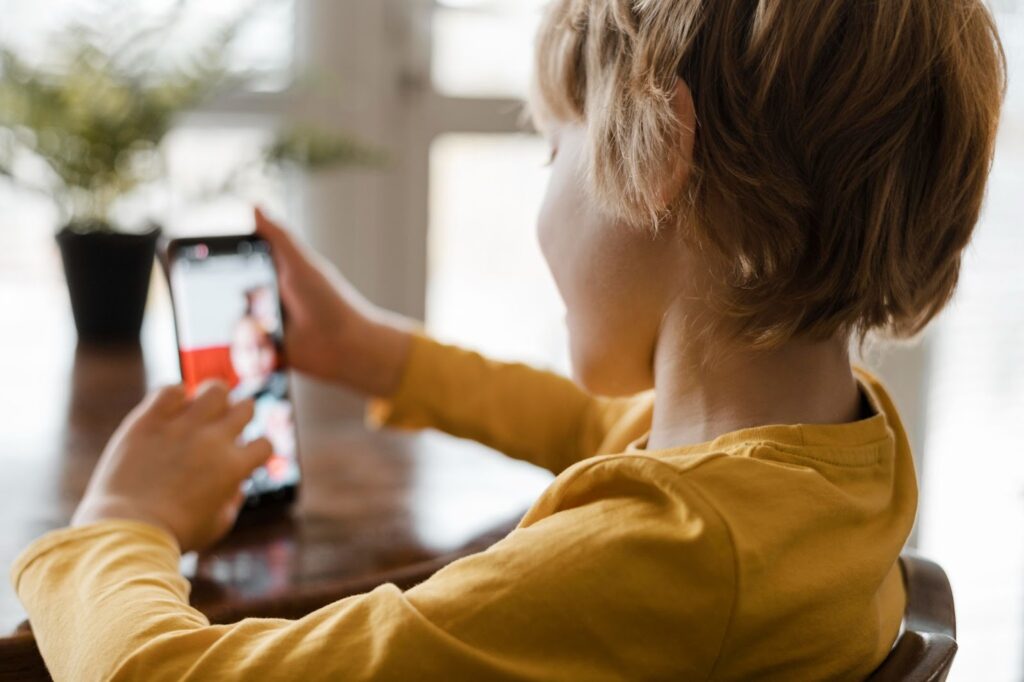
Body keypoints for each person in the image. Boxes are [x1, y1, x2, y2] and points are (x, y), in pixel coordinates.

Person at [12, 1, 1006, 679]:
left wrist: (118, 523)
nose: (544, 180)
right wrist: (378, 354)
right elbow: (600, 429)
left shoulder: (667, 557)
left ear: (657, 152)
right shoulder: (836, 455)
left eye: (552, 146)